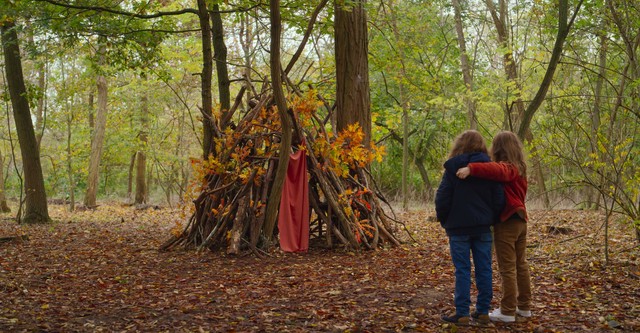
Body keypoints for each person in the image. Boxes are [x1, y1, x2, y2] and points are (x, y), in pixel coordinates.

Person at [456, 131, 532, 323]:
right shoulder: (520, 167)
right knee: (520, 265)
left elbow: (498, 170)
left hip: (508, 221)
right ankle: (524, 307)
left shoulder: (509, 167)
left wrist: (471, 169)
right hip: (520, 220)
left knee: (508, 267)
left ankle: (507, 311)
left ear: (499, 148)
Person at [435, 130, 505, 326]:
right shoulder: (490, 169)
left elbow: (442, 198)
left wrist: (445, 220)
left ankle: (463, 312)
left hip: (458, 228)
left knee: (462, 270)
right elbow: (499, 198)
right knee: (484, 268)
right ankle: (482, 311)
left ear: (459, 145)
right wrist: (492, 218)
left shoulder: (452, 170)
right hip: (483, 227)